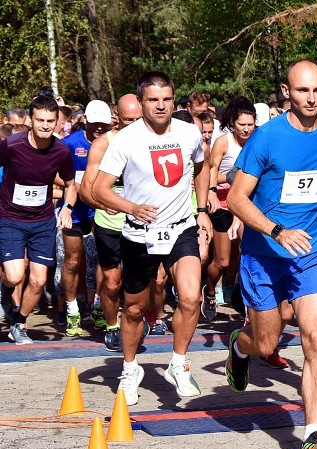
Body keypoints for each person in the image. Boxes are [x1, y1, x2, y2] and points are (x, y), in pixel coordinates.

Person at [226, 59, 317, 449]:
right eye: (303, 91)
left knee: (315, 336)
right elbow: (236, 198)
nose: (311, 98)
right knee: (265, 342)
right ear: (287, 92)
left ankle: (311, 435)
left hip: (314, 250)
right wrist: (277, 230)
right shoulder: (266, 138)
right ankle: (239, 347)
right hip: (265, 255)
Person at [92, 71, 213, 405]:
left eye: (167, 99)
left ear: (175, 101)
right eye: (153, 99)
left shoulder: (189, 133)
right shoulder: (126, 140)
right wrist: (131, 207)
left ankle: (178, 363)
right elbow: (99, 188)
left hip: (180, 227)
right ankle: (130, 369)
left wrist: (201, 209)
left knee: (190, 298)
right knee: (133, 309)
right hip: (138, 234)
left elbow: (201, 167)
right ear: (141, 101)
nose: (161, 106)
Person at [0, 92, 76, 344]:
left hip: (42, 221)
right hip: (10, 217)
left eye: (50, 121)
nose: (45, 126)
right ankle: (4, 290)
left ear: (57, 122)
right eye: (40, 120)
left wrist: (66, 207)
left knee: (39, 279)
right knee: (13, 276)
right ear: (30, 120)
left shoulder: (62, 151)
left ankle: (18, 323)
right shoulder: (11, 145)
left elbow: (70, 184)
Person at [78, 94, 144, 351]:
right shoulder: (103, 144)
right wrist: (106, 204)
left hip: (141, 222)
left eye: (139, 118)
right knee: (112, 281)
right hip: (109, 223)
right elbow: (86, 189)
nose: (135, 124)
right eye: (129, 120)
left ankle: (134, 320)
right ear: (117, 117)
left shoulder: (152, 141)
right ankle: (112, 326)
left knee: (141, 281)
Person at [60, 99, 113, 336]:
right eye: (95, 124)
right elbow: (54, 174)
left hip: (102, 210)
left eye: (104, 124)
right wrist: (76, 185)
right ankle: (72, 311)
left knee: (105, 260)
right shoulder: (70, 144)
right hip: (75, 210)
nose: (99, 128)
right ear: (85, 120)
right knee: (73, 260)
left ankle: (99, 307)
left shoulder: (113, 143)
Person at [202, 97, 256, 320]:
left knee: (249, 251)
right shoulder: (223, 142)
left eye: (250, 124)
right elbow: (211, 170)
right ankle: (211, 289)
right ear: (233, 123)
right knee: (222, 261)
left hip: (247, 203)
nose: (246, 129)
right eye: (242, 124)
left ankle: (245, 298)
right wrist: (212, 191)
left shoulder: (258, 139)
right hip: (223, 203)